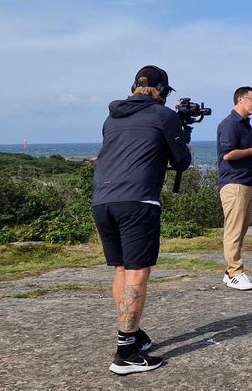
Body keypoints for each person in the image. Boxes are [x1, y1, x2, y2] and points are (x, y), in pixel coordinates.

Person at [92, 65, 191, 375]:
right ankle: (125, 354)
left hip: (103, 200)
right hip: (138, 202)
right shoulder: (164, 116)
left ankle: (132, 337)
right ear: (161, 91)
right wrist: (181, 129)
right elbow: (181, 161)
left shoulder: (112, 117)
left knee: (121, 269)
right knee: (137, 274)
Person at [216, 86, 252, 290]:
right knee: (234, 231)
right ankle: (235, 272)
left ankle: (231, 273)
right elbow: (227, 154)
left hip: (246, 183)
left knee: (241, 230)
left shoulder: (246, 125)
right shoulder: (230, 124)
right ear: (240, 100)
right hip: (234, 184)